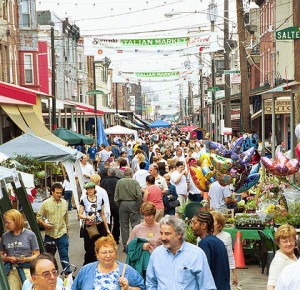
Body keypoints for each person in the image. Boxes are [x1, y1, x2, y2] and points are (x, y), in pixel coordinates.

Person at [146, 215, 216, 289]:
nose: (163, 238)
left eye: (167, 234)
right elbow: (151, 283)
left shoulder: (196, 254)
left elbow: (207, 286)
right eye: (161, 233)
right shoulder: (156, 254)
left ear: (179, 234)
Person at [72, 236, 145, 290]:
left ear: (115, 253)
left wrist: (129, 288)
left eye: (111, 252)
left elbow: (142, 287)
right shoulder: (86, 270)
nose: (108, 255)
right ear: (97, 254)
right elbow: (74, 288)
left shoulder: (127, 270)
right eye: (104, 252)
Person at [0, 209, 40, 290]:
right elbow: (0, 255)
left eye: (8, 222)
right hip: (11, 270)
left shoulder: (30, 235)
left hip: (27, 269)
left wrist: (25, 259)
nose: (6, 225)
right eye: (5, 222)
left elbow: (37, 255)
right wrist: (8, 258)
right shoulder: (5, 236)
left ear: (16, 221)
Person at [36, 183, 71, 274]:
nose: (59, 195)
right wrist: (44, 224)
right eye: (57, 193)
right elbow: (38, 217)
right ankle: (49, 273)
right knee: (48, 257)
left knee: (64, 255)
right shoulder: (45, 203)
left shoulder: (65, 203)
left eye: (60, 193)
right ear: (52, 192)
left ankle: (68, 274)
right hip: (50, 234)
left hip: (62, 232)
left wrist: (67, 231)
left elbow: (66, 218)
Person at [190, 212, 230, 290]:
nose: (191, 226)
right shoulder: (218, 241)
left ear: (204, 225)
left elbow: (204, 271)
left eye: (194, 223)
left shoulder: (204, 243)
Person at [78, 181, 111, 265]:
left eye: (91, 189)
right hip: (89, 227)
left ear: (94, 189)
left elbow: (102, 214)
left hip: (99, 225)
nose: (89, 191)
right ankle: (89, 265)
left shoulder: (100, 199)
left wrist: (107, 228)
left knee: (101, 245)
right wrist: (87, 217)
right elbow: (79, 214)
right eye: (88, 189)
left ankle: (101, 263)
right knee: (89, 248)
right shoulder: (84, 200)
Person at [114, 168, 143, 251]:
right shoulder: (135, 182)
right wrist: (139, 205)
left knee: (124, 226)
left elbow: (116, 197)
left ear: (124, 174)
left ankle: (126, 246)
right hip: (133, 203)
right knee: (135, 224)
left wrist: (120, 204)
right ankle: (135, 244)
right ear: (131, 174)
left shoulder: (119, 182)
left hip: (123, 204)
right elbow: (139, 195)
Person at [211, 211, 238, 287]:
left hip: (222, 270)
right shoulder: (202, 237)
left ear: (219, 224)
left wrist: (234, 274)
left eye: (213, 222)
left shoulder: (226, 236)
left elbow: (230, 256)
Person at [267, 224, 297, 289]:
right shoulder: (279, 260)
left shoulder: (291, 254)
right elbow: (271, 286)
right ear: (279, 243)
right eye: (285, 242)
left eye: (291, 241)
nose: (289, 244)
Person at [100, 167, 121, 244]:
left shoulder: (103, 181)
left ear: (108, 173)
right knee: (117, 222)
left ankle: (107, 237)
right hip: (116, 204)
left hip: (107, 204)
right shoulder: (118, 181)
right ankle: (116, 238)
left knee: (107, 221)